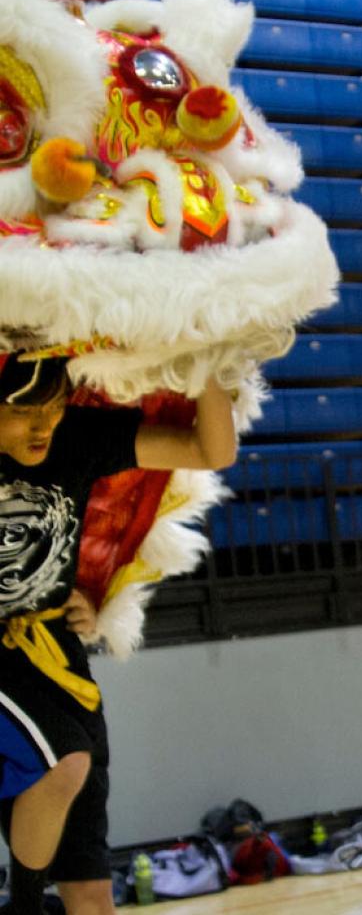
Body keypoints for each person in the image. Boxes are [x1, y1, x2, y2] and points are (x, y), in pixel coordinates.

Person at [0, 353, 237, 915]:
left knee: (89, 887)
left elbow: (212, 450)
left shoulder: (74, 437)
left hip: (57, 657)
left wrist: (208, 355)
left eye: (53, 408)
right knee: (65, 763)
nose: (43, 426)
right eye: (25, 410)